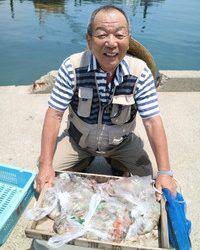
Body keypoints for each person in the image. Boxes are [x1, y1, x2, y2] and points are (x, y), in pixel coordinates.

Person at [36, 5, 176, 201]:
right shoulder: (72, 67)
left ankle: (117, 163)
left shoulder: (140, 72)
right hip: (79, 142)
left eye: (119, 35)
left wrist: (165, 172)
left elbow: (152, 121)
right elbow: (55, 114)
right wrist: (45, 165)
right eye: (102, 35)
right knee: (48, 180)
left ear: (128, 40)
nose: (111, 43)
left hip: (121, 143)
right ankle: (84, 160)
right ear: (89, 40)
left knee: (147, 179)